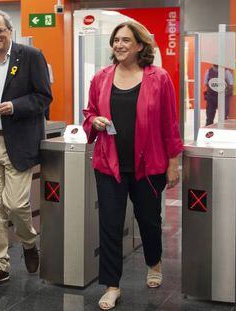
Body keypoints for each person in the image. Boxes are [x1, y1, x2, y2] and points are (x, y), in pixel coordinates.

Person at [82, 21, 183, 310]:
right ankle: (112, 285)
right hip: (109, 164)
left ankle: (154, 261)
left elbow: (169, 123)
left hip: (148, 166)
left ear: (140, 45)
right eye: (116, 40)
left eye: (126, 40)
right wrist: (94, 121)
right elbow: (88, 113)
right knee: (110, 224)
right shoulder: (101, 77)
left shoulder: (159, 78)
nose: (119, 45)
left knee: (149, 220)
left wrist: (173, 162)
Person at [0, 9, 52, 289]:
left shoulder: (31, 57)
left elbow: (43, 98)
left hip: (18, 142)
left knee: (15, 204)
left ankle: (29, 243)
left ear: (9, 31)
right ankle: (0, 264)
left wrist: (16, 107)